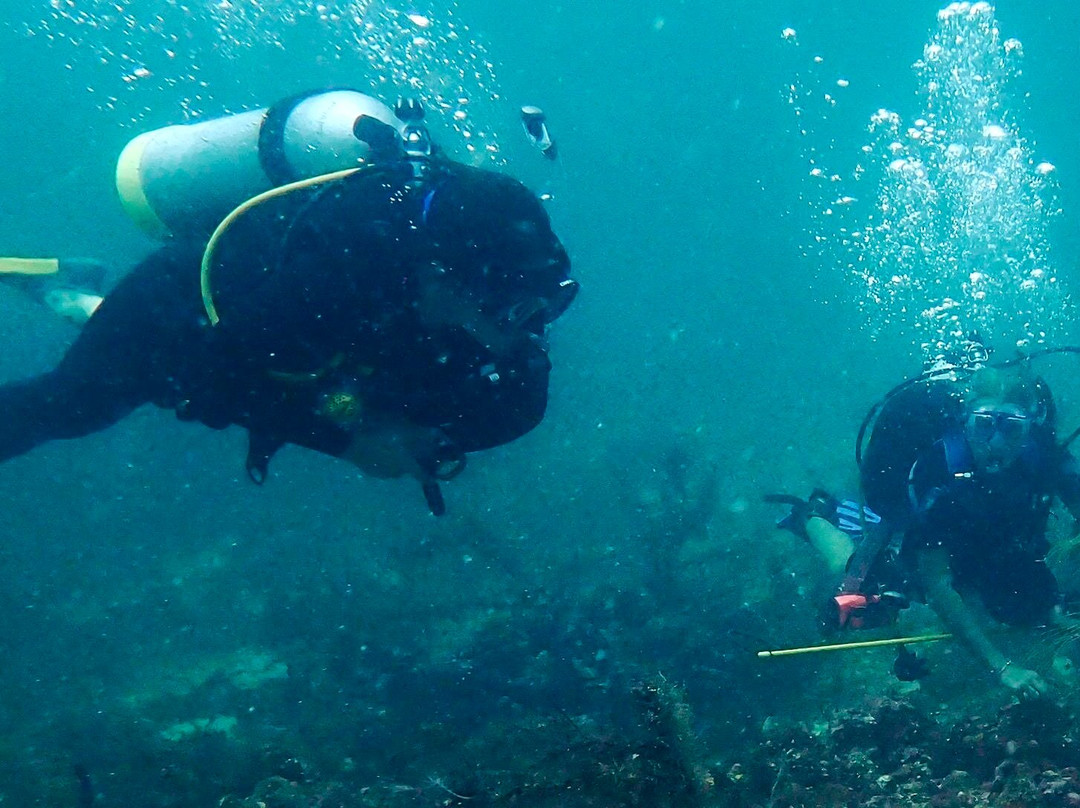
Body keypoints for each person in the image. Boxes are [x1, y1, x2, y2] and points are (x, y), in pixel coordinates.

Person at [0, 92, 578, 516]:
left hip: (287, 340)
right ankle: (77, 300)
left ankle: (71, 289)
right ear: (437, 278)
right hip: (189, 298)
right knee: (77, 405)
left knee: (141, 366)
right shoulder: (336, 278)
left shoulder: (517, 271)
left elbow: (513, 403)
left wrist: (437, 433)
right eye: (510, 317)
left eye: (538, 312)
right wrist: (349, 444)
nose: (521, 333)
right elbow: (211, 375)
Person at [773, 345, 1080, 698]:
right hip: (924, 529)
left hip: (989, 535)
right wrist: (1002, 667)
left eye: (1010, 428)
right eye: (983, 425)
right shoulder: (940, 469)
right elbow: (937, 583)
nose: (995, 443)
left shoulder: (1046, 456)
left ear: (1030, 429)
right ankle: (814, 514)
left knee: (1024, 605)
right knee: (868, 591)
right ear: (965, 420)